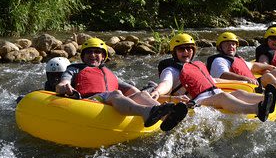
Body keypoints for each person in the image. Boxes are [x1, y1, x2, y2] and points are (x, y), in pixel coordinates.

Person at [56, 38, 188, 131]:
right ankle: (147, 112)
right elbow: (63, 83)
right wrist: (64, 87)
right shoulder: (75, 68)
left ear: (103, 57)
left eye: (97, 52)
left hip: (108, 101)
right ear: (83, 56)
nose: (93, 55)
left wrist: (165, 98)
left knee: (141, 93)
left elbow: (135, 92)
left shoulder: (110, 74)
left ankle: (166, 116)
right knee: (116, 93)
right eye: (89, 52)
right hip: (88, 102)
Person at [148, 33, 276, 121]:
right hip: (196, 102)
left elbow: (213, 80)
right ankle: (257, 109)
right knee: (223, 97)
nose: (186, 52)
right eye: (181, 49)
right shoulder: (171, 69)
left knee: (238, 93)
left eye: (189, 48)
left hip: (211, 95)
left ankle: (267, 100)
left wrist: (242, 79)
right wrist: (158, 91)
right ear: (174, 52)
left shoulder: (196, 65)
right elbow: (166, 83)